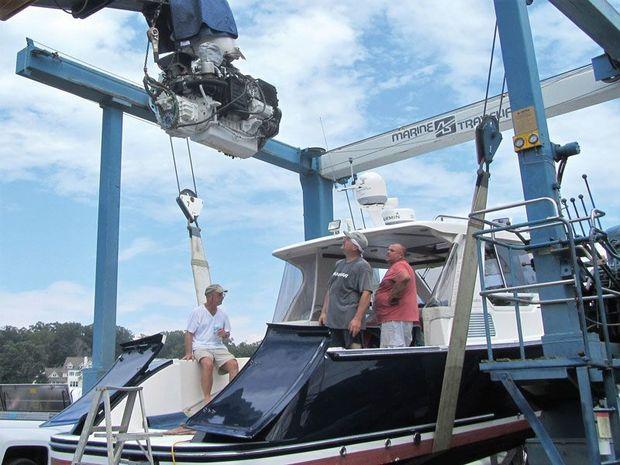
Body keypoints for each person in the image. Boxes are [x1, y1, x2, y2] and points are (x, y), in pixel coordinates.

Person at [183, 283, 239, 403]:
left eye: (223, 294)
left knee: (233, 364)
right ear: (210, 296)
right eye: (219, 294)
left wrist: (225, 334)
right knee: (208, 363)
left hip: (218, 347)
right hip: (201, 346)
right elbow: (189, 333)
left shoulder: (223, 314)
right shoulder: (197, 312)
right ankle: (207, 399)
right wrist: (188, 352)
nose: (222, 297)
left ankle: (232, 397)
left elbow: (227, 335)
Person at [319, 230, 373, 349]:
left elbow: (366, 293)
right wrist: (324, 312)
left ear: (355, 247)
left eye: (347, 239)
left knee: (353, 354)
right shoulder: (339, 264)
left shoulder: (362, 266)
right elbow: (330, 289)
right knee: (333, 354)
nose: (344, 240)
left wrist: (357, 319)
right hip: (333, 323)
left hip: (349, 324)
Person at [374, 243, 421, 347]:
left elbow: (404, 278)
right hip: (400, 316)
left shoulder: (398, 265)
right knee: (400, 346)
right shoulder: (404, 265)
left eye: (392, 250)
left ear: (400, 255)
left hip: (395, 317)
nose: (388, 252)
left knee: (393, 348)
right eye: (388, 249)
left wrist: (393, 296)